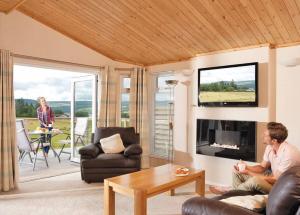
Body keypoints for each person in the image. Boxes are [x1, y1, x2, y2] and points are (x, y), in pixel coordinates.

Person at [210, 122, 300, 194]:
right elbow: (262, 167)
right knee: (237, 172)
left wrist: (249, 172)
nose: (262, 136)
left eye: (265, 135)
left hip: (280, 186)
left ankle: (230, 191)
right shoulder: (270, 147)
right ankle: (236, 194)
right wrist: (246, 167)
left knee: (255, 180)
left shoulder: (289, 154)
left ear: (274, 140)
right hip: (272, 178)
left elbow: (275, 180)